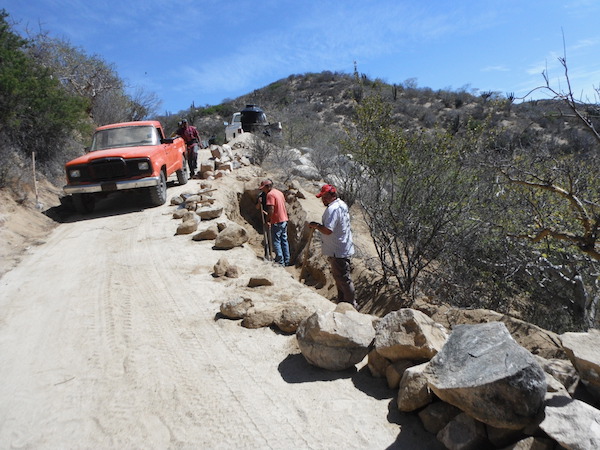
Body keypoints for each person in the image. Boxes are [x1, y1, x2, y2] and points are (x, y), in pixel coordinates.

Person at [308, 184, 357, 308]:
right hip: (341, 246)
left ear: (332, 195)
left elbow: (328, 230)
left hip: (337, 249)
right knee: (340, 278)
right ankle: (342, 302)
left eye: (324, 197)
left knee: (344, 279)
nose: (322, 200)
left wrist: (316, 226)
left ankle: (351, 304)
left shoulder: (333, 209)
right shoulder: (341, 204)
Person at [258, 179, 290, 266]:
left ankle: (280, 261)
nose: (263, 190)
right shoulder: (279, 192)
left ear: (267, 187)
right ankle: (286, 260)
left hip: (277, 220)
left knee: (276, 241)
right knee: (284, 240)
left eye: (263, 188)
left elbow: (271, 209)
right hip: (284, 219)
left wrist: (268, 220)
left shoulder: (270, 195)